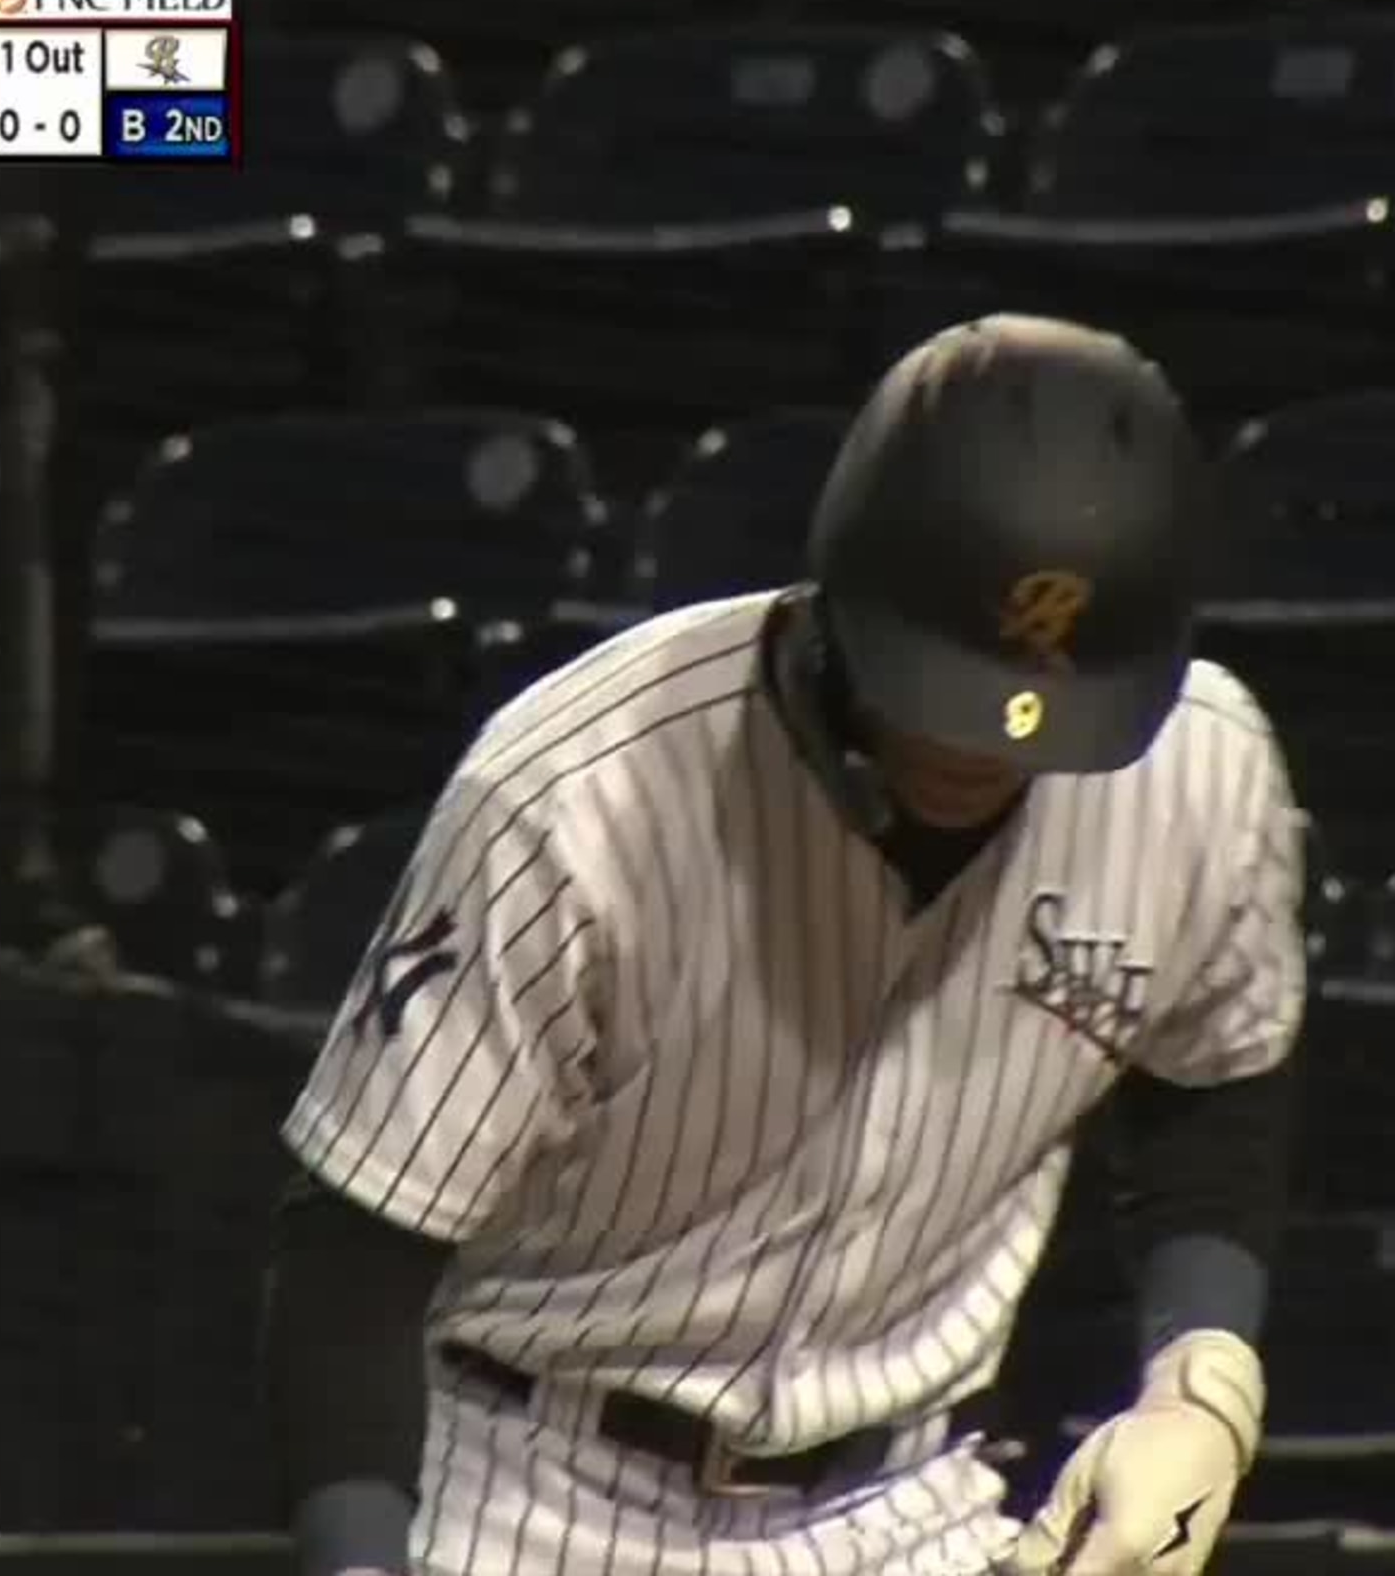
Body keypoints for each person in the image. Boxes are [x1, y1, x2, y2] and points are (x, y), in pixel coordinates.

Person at [265, 315, 1304, 1576]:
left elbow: (1213, 1093)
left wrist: (1202, 1386)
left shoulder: (1203, 772)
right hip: (534, 1495)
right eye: (948, 696)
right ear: (849, 596)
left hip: (907, 1507)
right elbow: (356, 1251)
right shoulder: (574, 793)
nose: (983, 749)